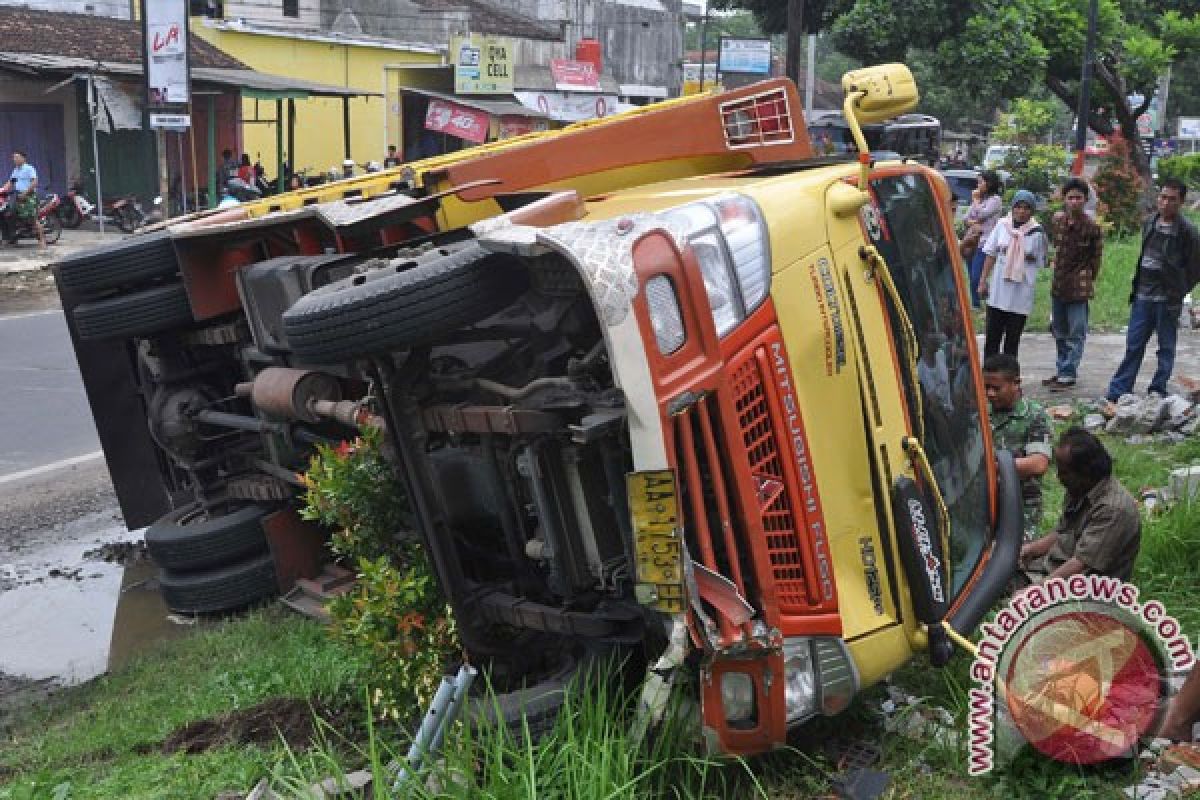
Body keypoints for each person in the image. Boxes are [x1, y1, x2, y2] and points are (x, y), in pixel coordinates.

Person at [1105, 178, 1200, 402]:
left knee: (1165, 347)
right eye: (1162, 197)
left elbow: (1196, 268)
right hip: (1142, 296)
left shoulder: (1187, 231)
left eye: (1172, 199)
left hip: (1167, 298)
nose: (1165, 203)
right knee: (1134, 344)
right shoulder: (1151, 222)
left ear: (1181, 202)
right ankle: (1120, 389)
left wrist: (1179, 290)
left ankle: (1158, 388)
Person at [1018, 428, 1140, 584]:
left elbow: (1081, 564)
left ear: (1085, 473)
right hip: (1057, 568)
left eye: (1064, 472)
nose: (1059, 477)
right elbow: (1063, 531)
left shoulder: (1113, 510)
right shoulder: (1079, 489)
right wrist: (1029, 549)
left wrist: (1032, 593)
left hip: (1088, 588)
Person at [1043, 177, 1105, 390]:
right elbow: (1056, 251)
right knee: (1059, 331)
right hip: (1059, 284)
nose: (1075, 202)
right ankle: (1062, 369)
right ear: (1064, 199)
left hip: (1079, 287)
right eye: (1071, 198)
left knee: (1076, 332)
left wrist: (1087, 279)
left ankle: (1069, 373)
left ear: (1085, 200)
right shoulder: (1057, 221)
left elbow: (1096, 259)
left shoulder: (1092, 227)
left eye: (1079, 198)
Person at [982, 355, 1052, 540]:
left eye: (996, 388)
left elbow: (1039, 463)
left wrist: (991, 467)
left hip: (1019, 506)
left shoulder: (1034, 416)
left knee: (1015, 558)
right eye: (986, 387)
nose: (990, 394)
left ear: (1016, 383)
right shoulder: (980, 412)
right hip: (982, 505)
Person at [978, 189, 1048, 358]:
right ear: (1013, 207)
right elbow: (991, 254)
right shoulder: (1002, 225)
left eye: (1026, 208)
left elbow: (1041, 260)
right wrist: (982, 281)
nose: (1021, 212)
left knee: (1012, 338)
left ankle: (1008, 377)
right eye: (1018, 207)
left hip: (1021, 290)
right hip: (999, 289)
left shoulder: (1037, 233)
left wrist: (1023, 253)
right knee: (993, 336)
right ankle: (989, 375)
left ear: (1032, 211)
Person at [963, 170, 1005, 308]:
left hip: (986, 243)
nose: (978, 185)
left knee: (977, 276)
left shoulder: (995, 200)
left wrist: (975, 201)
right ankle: (977, 304)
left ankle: (983, 302)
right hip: (972, 241)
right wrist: (973, 221)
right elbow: (966, 218)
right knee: (971, 275)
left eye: (981, 182)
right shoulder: (981, 200)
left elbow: (982, 214)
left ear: (989, 183)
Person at [6, 150, 46, 250]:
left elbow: (35, 182)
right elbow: (10, 183)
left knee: (33, 219)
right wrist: (2, 190)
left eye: (17, 157)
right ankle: (13, 238)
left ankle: (42, 241)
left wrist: (26, 193)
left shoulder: (29, 168)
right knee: (10, 214)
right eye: (14, 157)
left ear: (23, 158)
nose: (14, 159)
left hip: (29, 196)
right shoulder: (16, 170)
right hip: (18, 196)